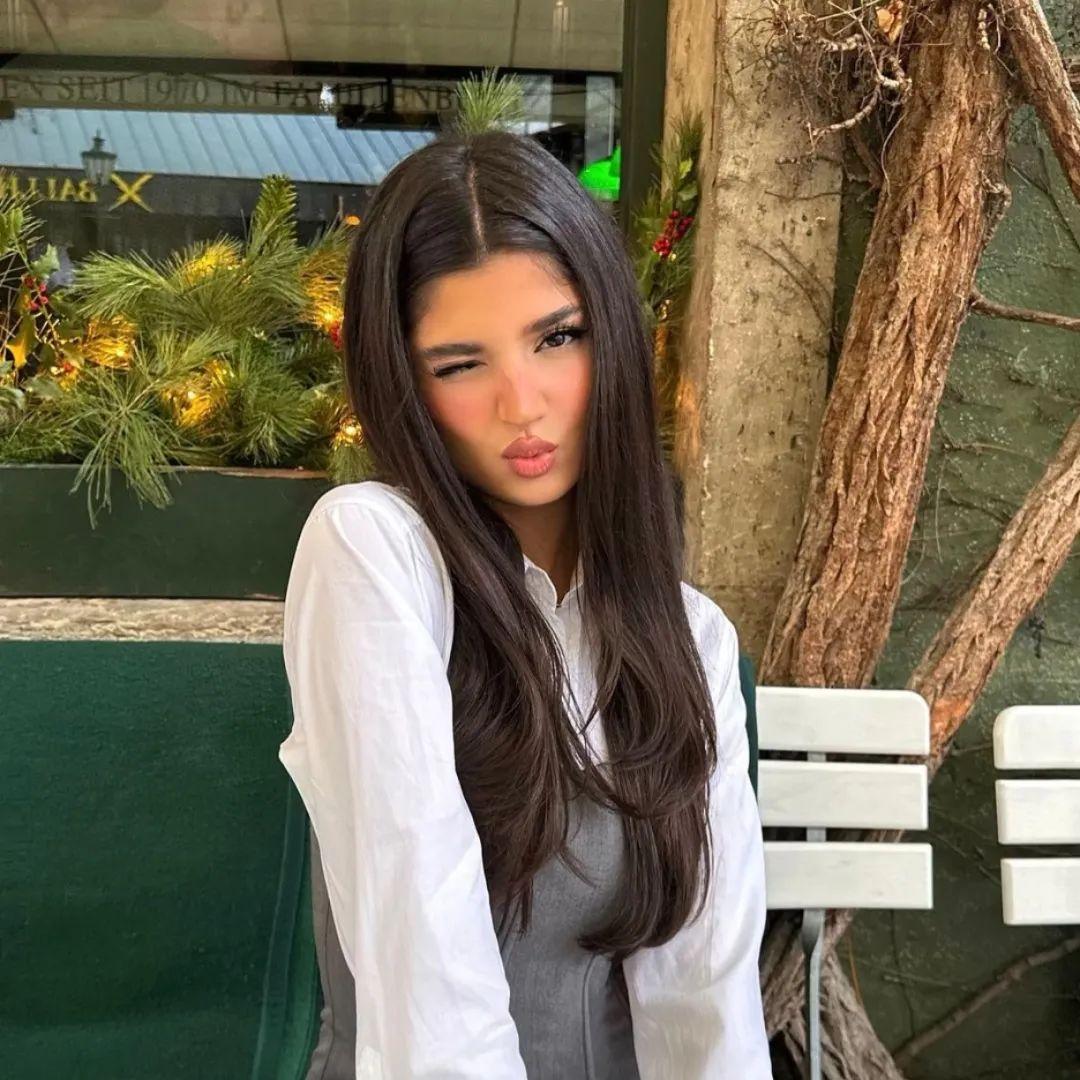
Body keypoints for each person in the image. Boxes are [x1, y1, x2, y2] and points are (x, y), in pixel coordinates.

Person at [278, 128, 772, 1079]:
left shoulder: (692, 637)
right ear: (403, 382)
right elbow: (424, 965)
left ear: (611, 334)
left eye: (557, 338)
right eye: (460, 364)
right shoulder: (373, 552)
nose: (523, 403)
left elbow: (705, 1002)